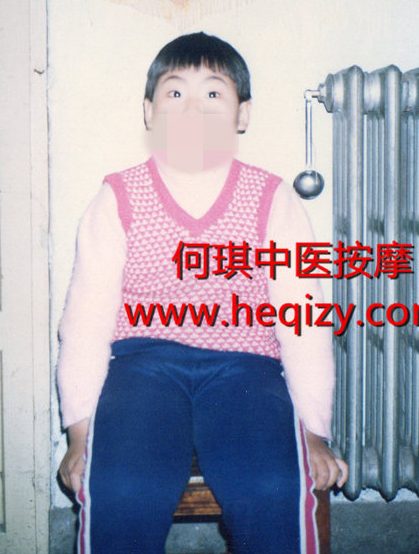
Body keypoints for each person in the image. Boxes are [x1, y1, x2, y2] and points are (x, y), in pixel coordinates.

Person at [57, 32, 348, 554]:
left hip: (246, 370)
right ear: (150, 112)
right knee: (123, 488)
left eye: (213, 93)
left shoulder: (272, 199)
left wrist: (314, 432)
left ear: (242, 114)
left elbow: (304, 319)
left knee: (272, 487)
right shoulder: (118, 198)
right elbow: (84, 324)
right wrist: (79, 435)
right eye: (175, 93)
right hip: (143, 366)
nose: (192, 108)